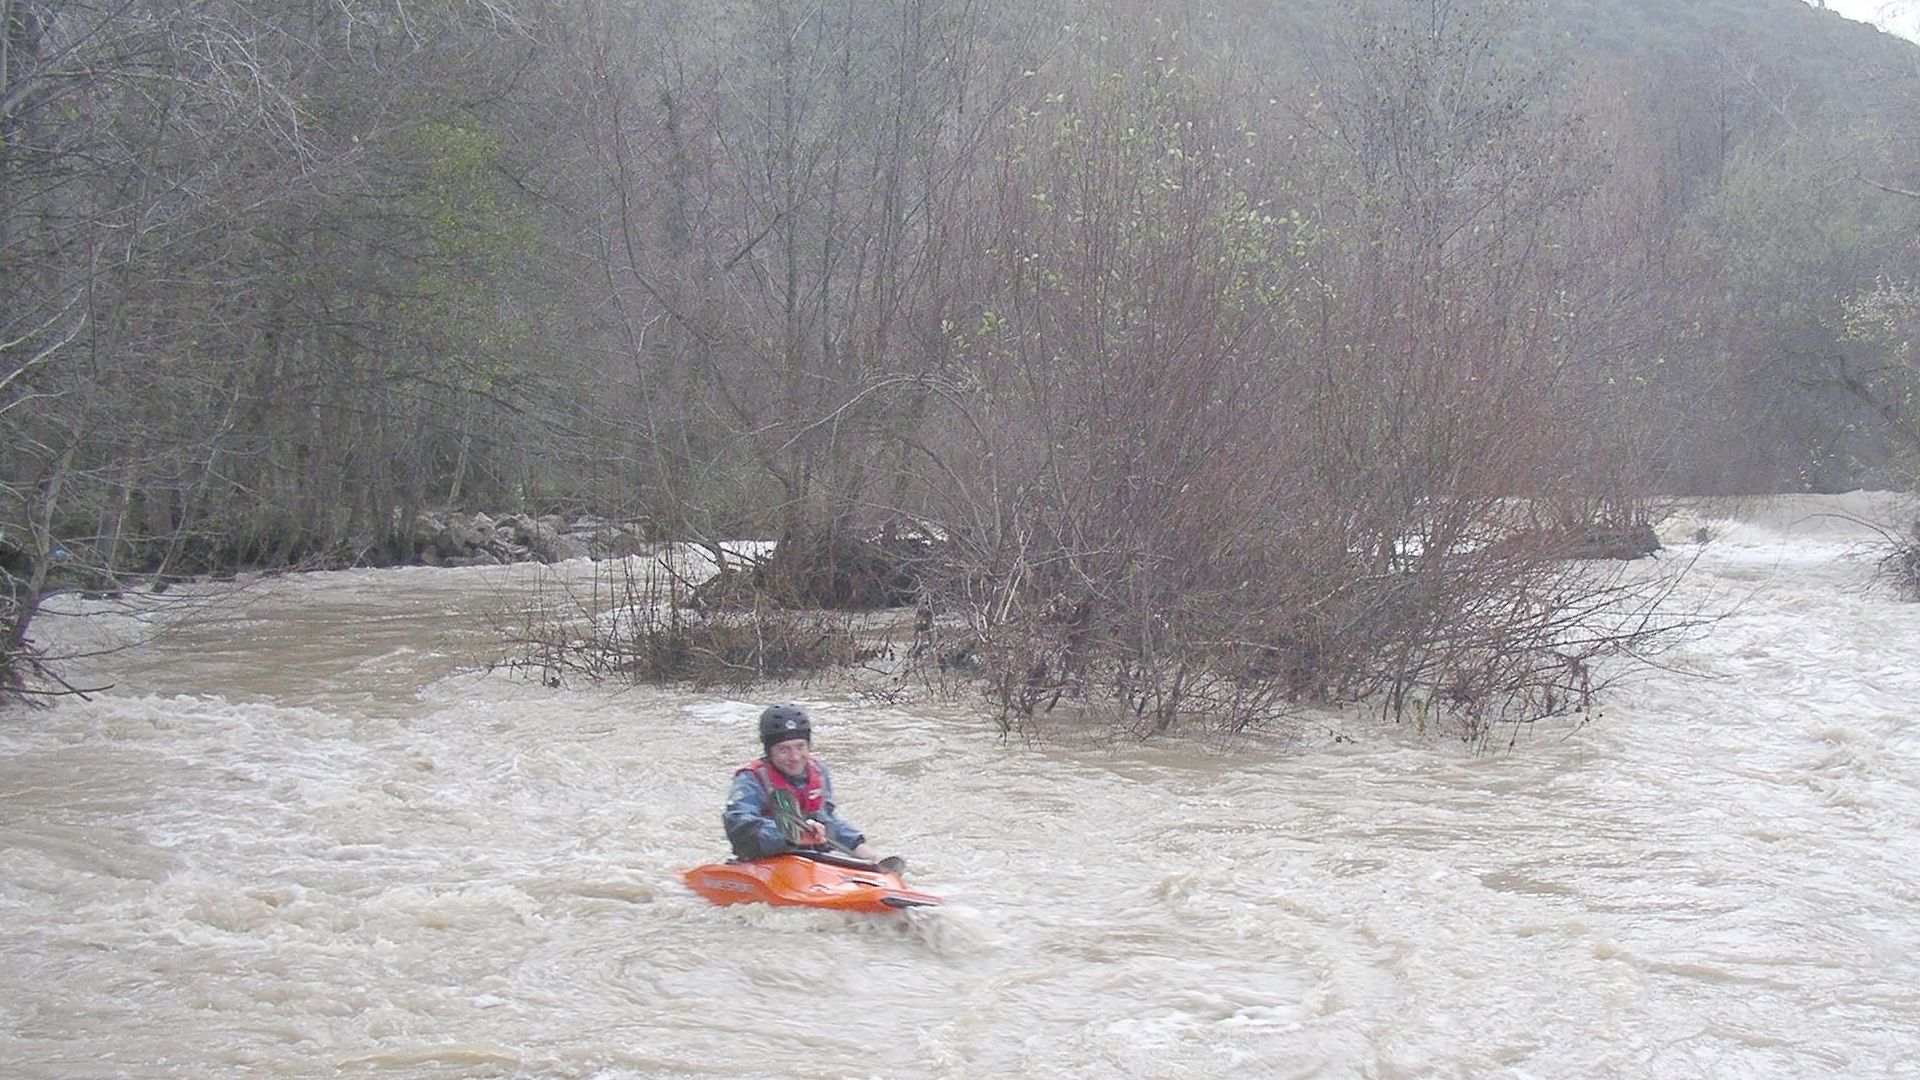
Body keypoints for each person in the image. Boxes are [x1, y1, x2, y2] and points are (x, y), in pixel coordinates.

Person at [723, 703, 883, 862]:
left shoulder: (819, 772)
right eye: (783, 750)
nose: (795, 757)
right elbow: (739, 827)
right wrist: (793, 834)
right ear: (769, 751)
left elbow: (828, 821)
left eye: (800, 747)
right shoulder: (751, 779)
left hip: (809, 861)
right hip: (767, 861)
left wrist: (867, 853)